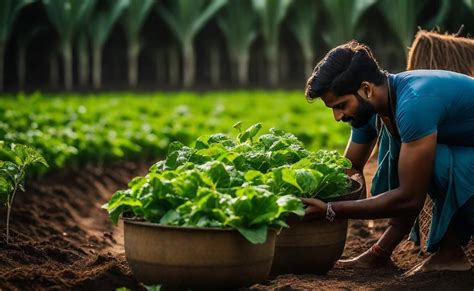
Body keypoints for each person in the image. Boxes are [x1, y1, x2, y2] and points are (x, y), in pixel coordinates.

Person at [302, 40, 473, 275]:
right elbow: (350, 167)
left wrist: (332, 209)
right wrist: (313, 190)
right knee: (405, 154)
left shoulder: (414, 103)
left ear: (366, 89)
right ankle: (380, 255)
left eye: (341, 105)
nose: (337, 117)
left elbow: (410, 198)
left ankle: (451, 254)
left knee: (432, 162)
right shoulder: (373, 107)